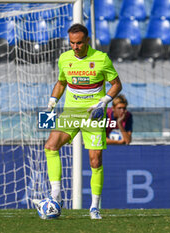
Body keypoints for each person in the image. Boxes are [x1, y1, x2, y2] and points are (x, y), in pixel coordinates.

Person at [34, 23, 122, 220]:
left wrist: (104, 102)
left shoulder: (101, 59)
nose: (75, 47)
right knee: (50, 146)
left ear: (87, 41)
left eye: (79, 43)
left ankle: (94, 207)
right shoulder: (65, 59)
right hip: (71, 113)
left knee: (95, 160)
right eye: (72, 43)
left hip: (94, 116)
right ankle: (56, 194)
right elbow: (62, 82)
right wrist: (52, 101)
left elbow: (117, 84)